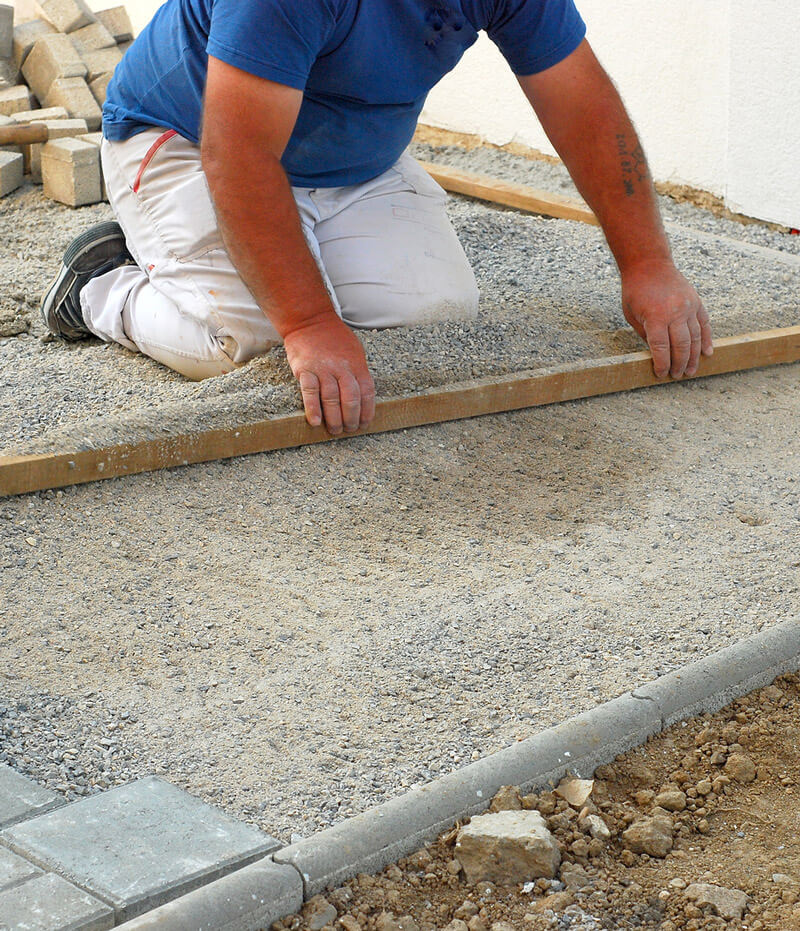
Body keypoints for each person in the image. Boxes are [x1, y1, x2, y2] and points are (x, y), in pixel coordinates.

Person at [41, 0, 713, 437]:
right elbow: (238, 155)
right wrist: (308, 323)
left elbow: (581, 104)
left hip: (351, 156)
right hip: (187, 140)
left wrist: (648, 263)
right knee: (256, 343)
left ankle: (279, 256)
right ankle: (103, 289)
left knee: (435, 309)